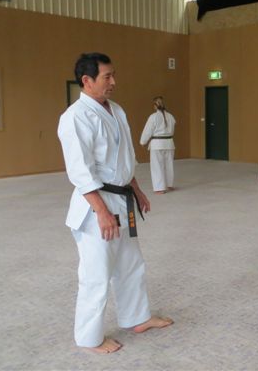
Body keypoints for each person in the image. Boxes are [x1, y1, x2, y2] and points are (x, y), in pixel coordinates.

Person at [58, 53, 172, 354]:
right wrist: (102, 211)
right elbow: (80, 172)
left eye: (113, 75)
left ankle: (137, 318)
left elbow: (124, 158)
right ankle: (89, 338)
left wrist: (137, 189)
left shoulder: (116, 110)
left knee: (131, 264)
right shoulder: (75, 117)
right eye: (107, 76)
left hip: (122, 198)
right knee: (96, 274)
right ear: (87, 80)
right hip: (96, 206)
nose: (113, 82)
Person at [140, 96, 176, 194]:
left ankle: (160, 188)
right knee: (169, 165)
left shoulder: (153, 117)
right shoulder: (171, 116)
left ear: (155, 106)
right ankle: (169, 184)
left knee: (157, 166)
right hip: (169, 143)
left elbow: (148, 130)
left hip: (157, 144)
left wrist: (143, 141)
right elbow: (172, 130)